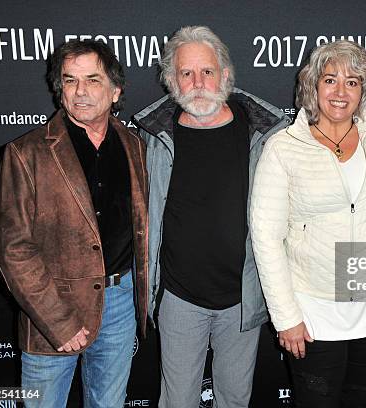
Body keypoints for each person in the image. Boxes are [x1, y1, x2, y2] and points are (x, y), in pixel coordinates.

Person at [250, 40, 366, 407]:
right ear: (313, 86)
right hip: (313, 306)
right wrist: (285, 316)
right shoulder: (283, 148)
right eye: (330, 80)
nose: (340, 92)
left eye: (352, 82)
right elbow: (265, 236)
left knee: (363, 399)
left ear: (364, 90)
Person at [133, 26, 289, 408]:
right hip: (179, 296)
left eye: (207, 71)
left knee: (234, 399)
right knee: (178, 400)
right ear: (172, 81)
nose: (198, 82)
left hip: (242, 295)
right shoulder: (153, 136)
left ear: (225, 75)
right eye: (186, 73)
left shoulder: (264, 132)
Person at [0, 39, 148, 408]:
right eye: (70, 80)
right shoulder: (26, 152)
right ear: (59, 89)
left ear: (115, 91)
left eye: (92, 80)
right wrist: (57, 319)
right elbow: (11, 247)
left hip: (120, 302)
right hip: (52, 306)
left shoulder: (135, 146)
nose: (80, 92)